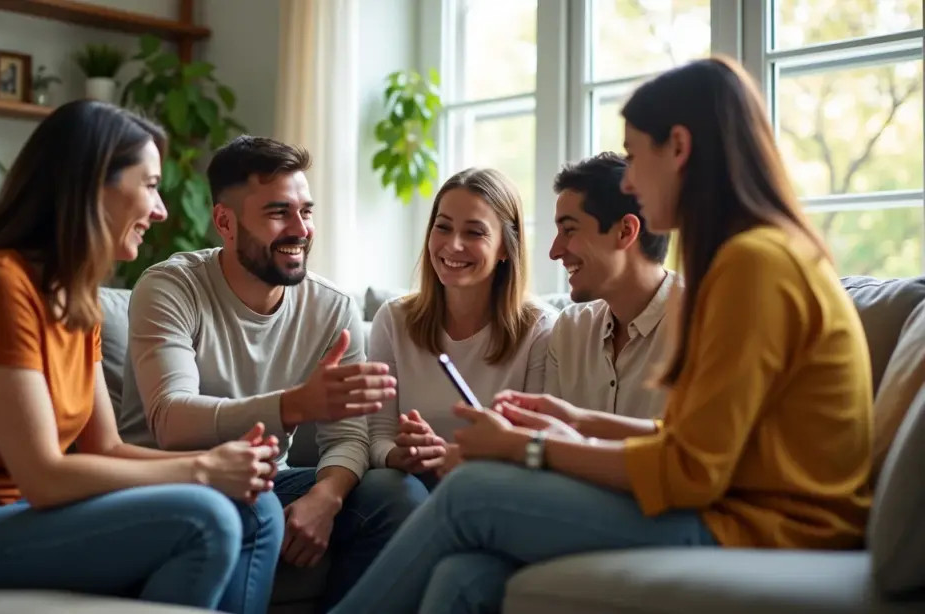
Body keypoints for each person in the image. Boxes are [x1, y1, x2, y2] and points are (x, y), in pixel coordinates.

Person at [325, 55, 874, 614]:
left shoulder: (752, 265)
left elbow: (689, 471)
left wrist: (529, 447)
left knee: (470, 494)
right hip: (744, 509)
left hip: (772, 529)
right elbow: (693, 440)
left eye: (635, 156)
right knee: (468, 575)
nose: (630, 180)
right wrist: (576, 421)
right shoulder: (757, 256)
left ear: (678, 148)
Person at [0, 100, 285, 614]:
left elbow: (104, 446)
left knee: (259, 506)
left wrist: (224, 467)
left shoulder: (76, 300)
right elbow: (43, 474)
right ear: (94, 185)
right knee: (204, 517)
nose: (162, 209)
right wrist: (201, 469)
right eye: (150, 185)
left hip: (23, 515)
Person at [117, 135, 428, 610]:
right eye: (278, 212)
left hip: (268, 478)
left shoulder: (331, 309)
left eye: (306, 211)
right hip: (169, 478)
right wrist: (295, 405)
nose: (300, 228)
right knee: (255, 500)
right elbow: (171, 420)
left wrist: (326, 496)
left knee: (395, 494)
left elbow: (348, 437)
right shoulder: (171, 288)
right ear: (225, 221)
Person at [367, 168, 554, 487]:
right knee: (389, 488)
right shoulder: (393, 319)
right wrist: (399, 454)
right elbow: (377, 436)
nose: (453, 245)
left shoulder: (540, 328)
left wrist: (452, 456)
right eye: (443, 227)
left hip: (491, 490)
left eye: (474, 233)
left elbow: (536, 447)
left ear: (506, 248)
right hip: (408, 486)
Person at [545, 152, 674, 420]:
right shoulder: (570, 330)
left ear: (625, 231)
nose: (555, 252)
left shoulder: (702, 325)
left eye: (569, 230)